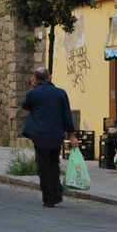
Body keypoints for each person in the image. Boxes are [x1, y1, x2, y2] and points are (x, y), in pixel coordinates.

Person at [21, 67, 79, 208]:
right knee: (54, 163)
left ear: (36, 79)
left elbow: (25, 106)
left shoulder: (32, 94)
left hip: (39, 136)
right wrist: (72, 135)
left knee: (43, 167)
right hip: (56, 135)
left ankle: (49, 198)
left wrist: (33, 88)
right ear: (50, 77)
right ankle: (57, 190)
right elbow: (67, 115)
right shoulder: (61, 93)